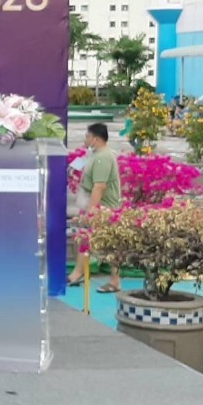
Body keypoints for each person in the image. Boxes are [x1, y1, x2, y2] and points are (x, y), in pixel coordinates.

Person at [67, 124, 123, 291]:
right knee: (86, 239)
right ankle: (78, 273)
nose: (85, 139)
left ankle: (114, 281)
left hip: (105, 209)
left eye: (87, 136)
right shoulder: (95, 154)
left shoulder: (102, 158)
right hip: (97, 207)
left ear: (96, 139)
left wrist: (91, 212)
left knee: (110, 244)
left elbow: (99, 186)